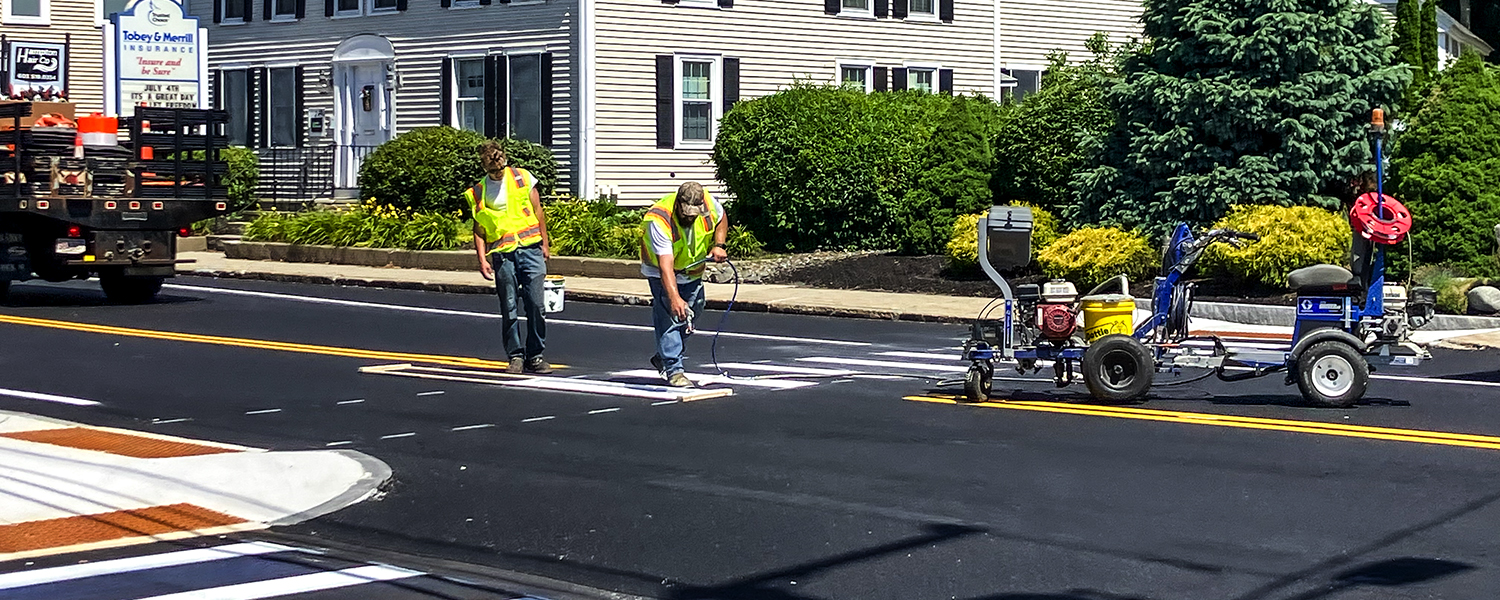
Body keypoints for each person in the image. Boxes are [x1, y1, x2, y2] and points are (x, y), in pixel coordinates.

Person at [468, 141, 553, 374]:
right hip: (503, 254)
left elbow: (538, 211)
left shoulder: (523, 177)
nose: (498, 172)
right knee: (509, 306)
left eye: (500, 167)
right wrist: (482, 259)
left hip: (530, 249)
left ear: (504, 159)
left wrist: (545, 243)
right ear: (484, 166)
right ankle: (515, 356)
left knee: (536, 304)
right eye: (492, 170)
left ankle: (535, 355)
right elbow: (479, 228)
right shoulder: (479, 191)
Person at [641, 181, 729, 387]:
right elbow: (665, 266)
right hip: (661, 272)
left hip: (692, 271)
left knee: (692, 311)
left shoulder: (708, 203)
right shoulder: (659, 220)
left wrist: (718, 245)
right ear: (678, 204)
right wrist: (674, 298)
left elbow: (722, 218)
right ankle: (674, 369)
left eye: (693, 215)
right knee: (671, 316)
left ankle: (664, 355)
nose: (689, 218)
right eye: (685, 213)